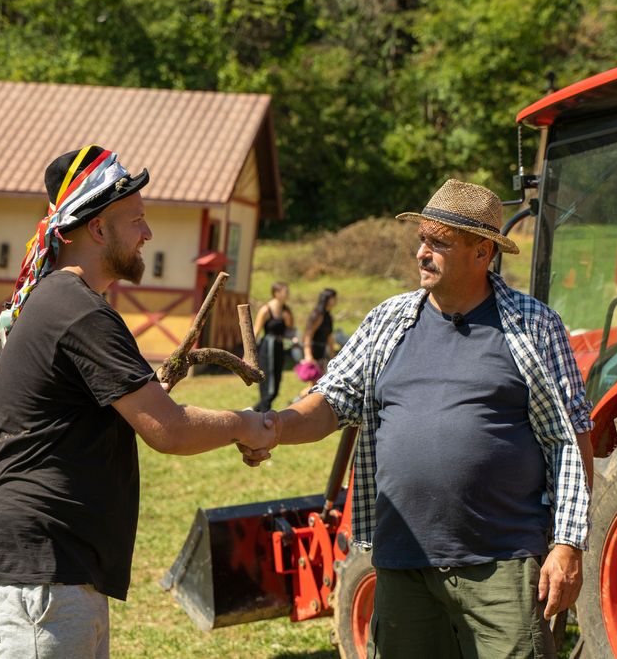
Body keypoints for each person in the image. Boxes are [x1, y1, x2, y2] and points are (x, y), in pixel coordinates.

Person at [249, 179, 593, 659]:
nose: (422, 253)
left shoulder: (534, 325)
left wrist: (567, 544)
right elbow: (332, 399)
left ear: (481, 252)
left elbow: (568, 440)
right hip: (402, 563)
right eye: (421, 240)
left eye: (439, 243)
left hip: (502, 566)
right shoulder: (387, 321)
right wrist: (276, 425)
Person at [0, 145, 278, 659]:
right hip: (41, 567)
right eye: (137, 220)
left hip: (53, 565)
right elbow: (168, 430)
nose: (147, 234)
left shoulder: (64, 301)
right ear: (98, 230)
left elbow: (107, 412)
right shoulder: (79, 309)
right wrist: (243, 424)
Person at [253, 281, 294, 411]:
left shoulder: (286, 311)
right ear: (276, 293)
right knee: (268, 384)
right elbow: (255, 332)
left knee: (275, 386)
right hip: (267, 348)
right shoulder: (266, 310)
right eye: (285, 291)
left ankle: (253, 411)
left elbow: (290, 329)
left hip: (279, 347)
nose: (287, 294)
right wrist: (248, 353)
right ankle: (263, 415)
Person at [297, 287, 337, 396]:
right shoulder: (318, 315)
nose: (335, 300)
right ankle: (297, 402)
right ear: (326, 299)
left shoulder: (328, 316)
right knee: (314, 385)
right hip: (313, 351)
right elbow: (308, 335)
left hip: (322, 351)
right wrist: (308, 355)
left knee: (319, 383)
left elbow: (329, 336)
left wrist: (333, 355)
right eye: (333, 298)